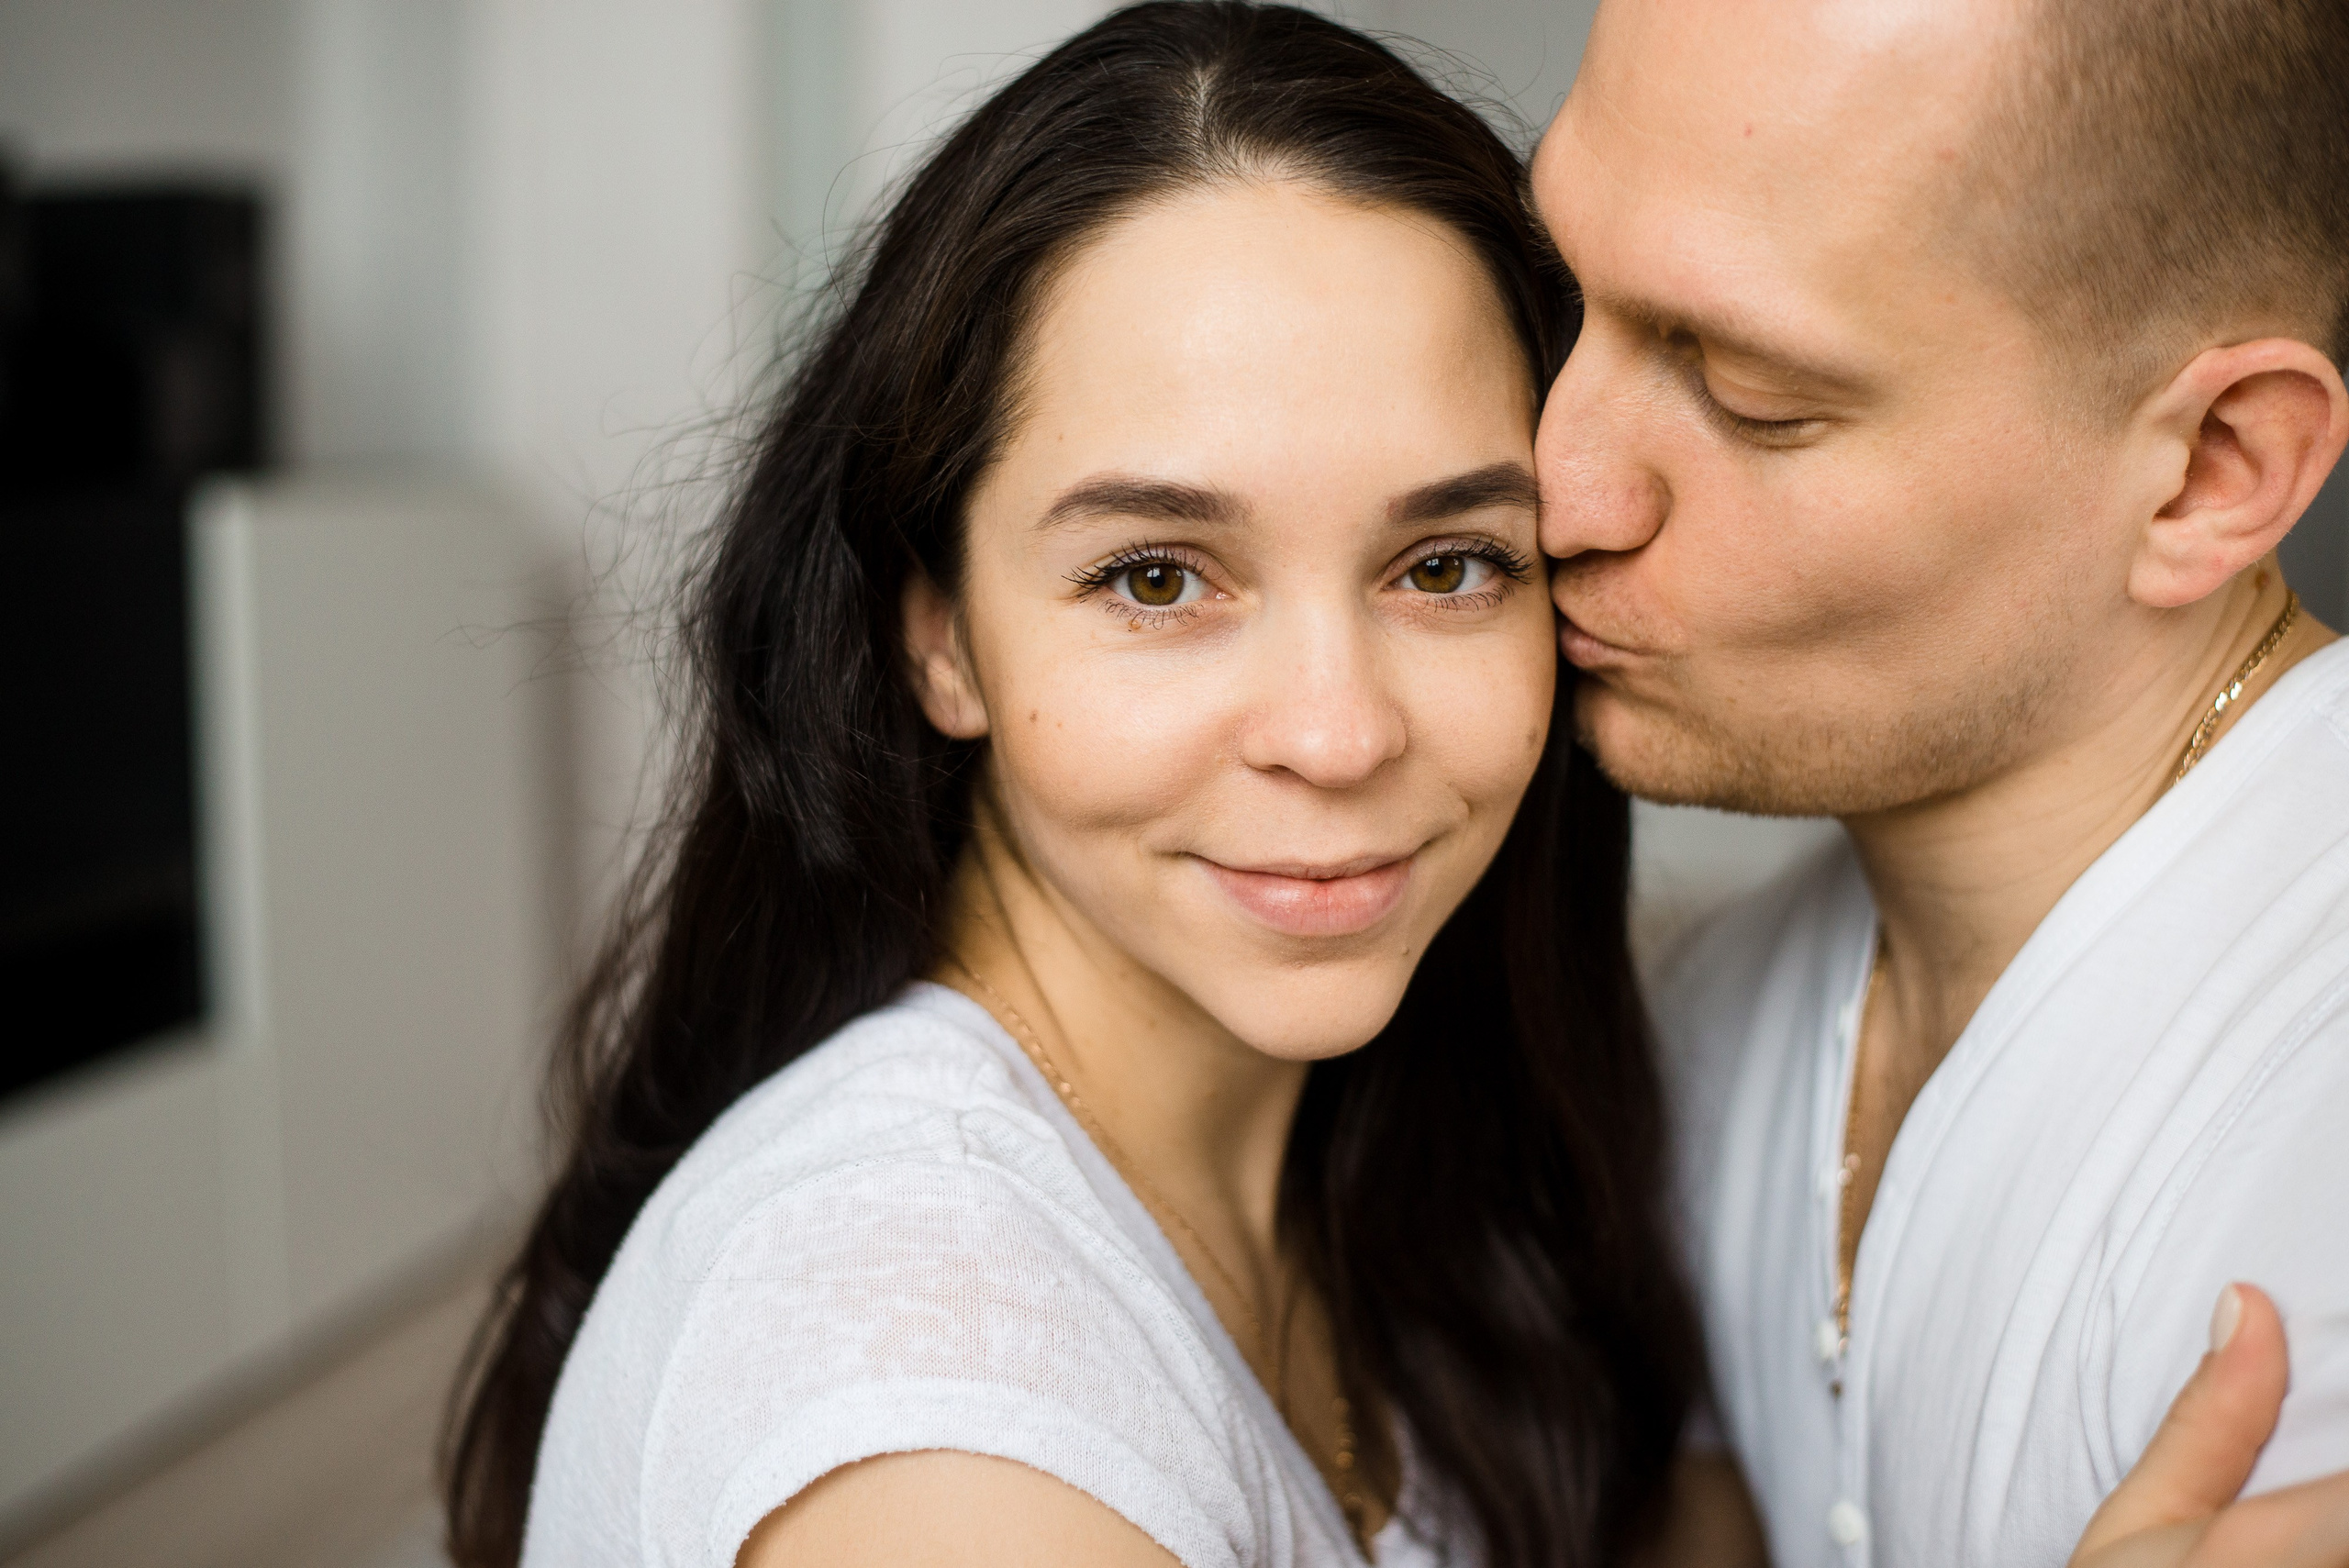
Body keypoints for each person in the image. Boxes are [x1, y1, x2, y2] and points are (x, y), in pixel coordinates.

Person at [443, 8, 1706, 1567]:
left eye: (1447, 565)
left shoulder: (1386, 1152)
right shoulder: (929, 1382)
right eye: (1159, 576)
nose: (1337, 733)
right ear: (940, 639)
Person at [1528, 0, 2349, 1564]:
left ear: (2214, 467)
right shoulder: (1708, 1013)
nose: (1559, 486)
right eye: (1568, 293)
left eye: (1753, 393)